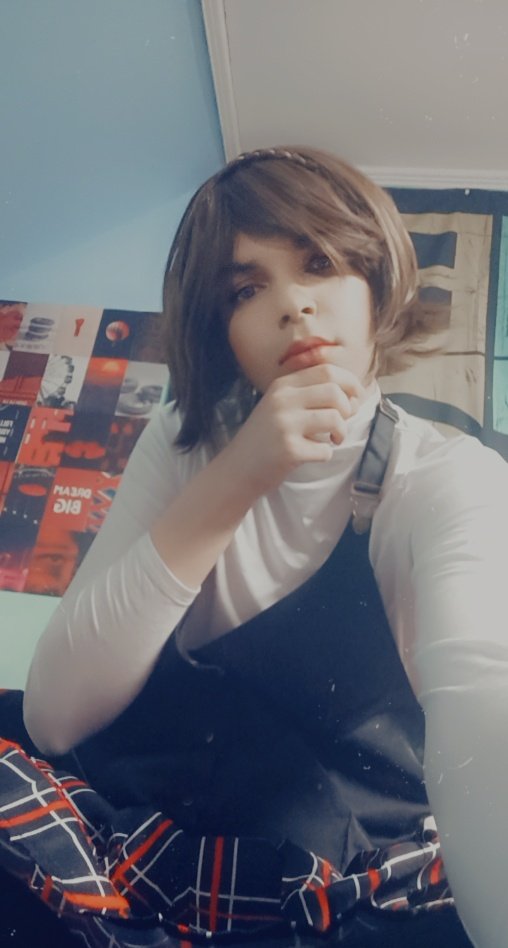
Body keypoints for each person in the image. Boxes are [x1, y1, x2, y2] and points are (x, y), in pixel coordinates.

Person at [1, 147, 507, 948]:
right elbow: (54, 718)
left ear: (376, 285)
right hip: (136, 858)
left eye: (320, 264)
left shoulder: (447, 478)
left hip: (346, 894)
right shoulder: (184, 443)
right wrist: (239, 474)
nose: (293, 305)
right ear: (221, 331)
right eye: (246, 289)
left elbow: (485, 703)